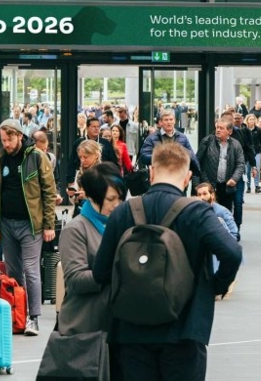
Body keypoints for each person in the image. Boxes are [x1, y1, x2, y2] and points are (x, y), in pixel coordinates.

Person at [93, 142, 242, 381]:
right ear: (187, 177)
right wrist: (215, 285)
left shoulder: (124, 212)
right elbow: (232, 252)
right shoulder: (197, 212)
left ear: (151, 172)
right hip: (184, 328)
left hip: (131, 329)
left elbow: (100, 272)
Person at [46, 163, 127, 380]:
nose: (117, 205)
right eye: (111, 199)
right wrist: (117, 272)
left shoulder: (122, 226)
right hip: (86, 329)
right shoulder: (76, 229)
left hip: (118, 326)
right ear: (92, 197)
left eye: (120, 198)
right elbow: (75, 279)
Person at [0, 119, 57, 336]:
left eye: (9, 139)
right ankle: (19, 313)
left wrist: (48, 224)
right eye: (3, 140)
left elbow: (49, 191)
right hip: (7, 222)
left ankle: (34, 317)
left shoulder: (36, 156)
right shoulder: (0, 157)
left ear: (20, 135)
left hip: (31, 223)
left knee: (31, 270)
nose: (6, 144)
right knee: (13, 271)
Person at [195, 118, 246, 224]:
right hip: (209, 184)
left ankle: (230, 231)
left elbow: (241, 164)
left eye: (221, 128)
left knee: (225, 212)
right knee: (209, 213)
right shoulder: (207, 141)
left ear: (229, 131)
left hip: (226, 185)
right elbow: (198, 162)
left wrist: (234, 178)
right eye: (217, 127)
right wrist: (203, 181)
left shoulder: (236, 145)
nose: (218, 130)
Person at [139, 108, 200, 179]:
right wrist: (162, 157)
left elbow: (192, 156)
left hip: (179, 178)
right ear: (160, 122)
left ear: (174, 121)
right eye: (166, 120)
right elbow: (143, 156)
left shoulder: (183, 137)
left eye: (171, 119)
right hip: (159, 178)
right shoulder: (151, 138)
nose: (169, 122)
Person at [69, 139, 103, 216]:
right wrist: (73, 194)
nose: (82, 160)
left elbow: (106, 198)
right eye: (80, 157)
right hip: (80, 213)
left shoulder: (102, 172)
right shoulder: (79, 173)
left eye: (85, 157)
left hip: (95, 215)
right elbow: (74, 201)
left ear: (96, 155)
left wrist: (87, 196)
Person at [244, 114, 261, 193]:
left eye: (253, 119)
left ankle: (256, 185)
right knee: (248, 169)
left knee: (257, 168)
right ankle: (248, 186)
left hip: (257, 152)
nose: (252, 121)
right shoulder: (245, 130)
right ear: (247, 121)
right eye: (250, 119)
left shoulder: (258, 130)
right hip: (248, 152)